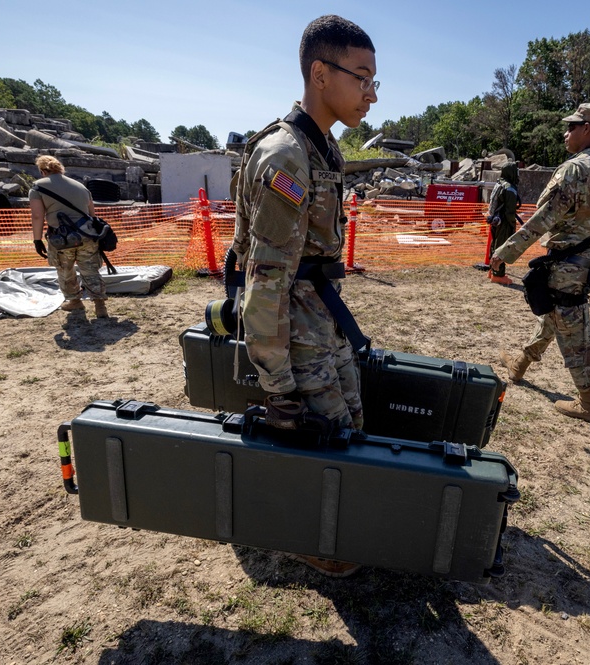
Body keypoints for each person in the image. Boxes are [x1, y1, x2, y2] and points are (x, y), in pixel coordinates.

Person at [231, 15, 377, 576]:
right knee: (326, 444)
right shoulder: (286, 157)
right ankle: (306, 538)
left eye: (374, 81)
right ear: (320, 73)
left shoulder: (322, 150)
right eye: (360, 76)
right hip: (294, 337)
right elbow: (265, 279)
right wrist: (276, 383)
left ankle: (331, 529)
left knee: (352, 432)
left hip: (324, 323)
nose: (370, 93)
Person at [491, 103, 590, 423]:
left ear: (589, 128)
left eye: (571, 127)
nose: (566, 133)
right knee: (554, 317)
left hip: (568, 264)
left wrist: (505, 253)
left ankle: (589, 404)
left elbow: (543, 218)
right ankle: (520, 364)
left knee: (575, 335)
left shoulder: (575, 168)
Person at [29, 155, 108, 318]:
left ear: (43, 171)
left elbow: (37, 216)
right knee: (90, 269)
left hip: (61, 239)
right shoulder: (81, 186)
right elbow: (92, 215)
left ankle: (74, 301)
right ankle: (100, 305)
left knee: (65, 270)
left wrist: (37, 240)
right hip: (87, 235)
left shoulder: (37, 188)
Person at [486, 161, 521, 285]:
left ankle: (492, 270)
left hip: (495, 219)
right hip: (504, 222)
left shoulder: (499, 183)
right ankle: (498, 274)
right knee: (501, 247)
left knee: (494, 244)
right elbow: (510, 211)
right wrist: (513, 223)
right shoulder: (510, 188)